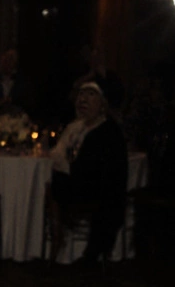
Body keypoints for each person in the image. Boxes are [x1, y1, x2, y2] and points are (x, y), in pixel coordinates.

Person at [48, 82, 128, 264]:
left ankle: (60, 239)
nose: (83, 99)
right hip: (79, 181)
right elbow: (58, 155)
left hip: (97, 191)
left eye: (91, 94)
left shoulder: (108, 131)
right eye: (81, 95)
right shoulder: (76, 128)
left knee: (52, 183)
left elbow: (97, 170)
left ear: (102, 103)